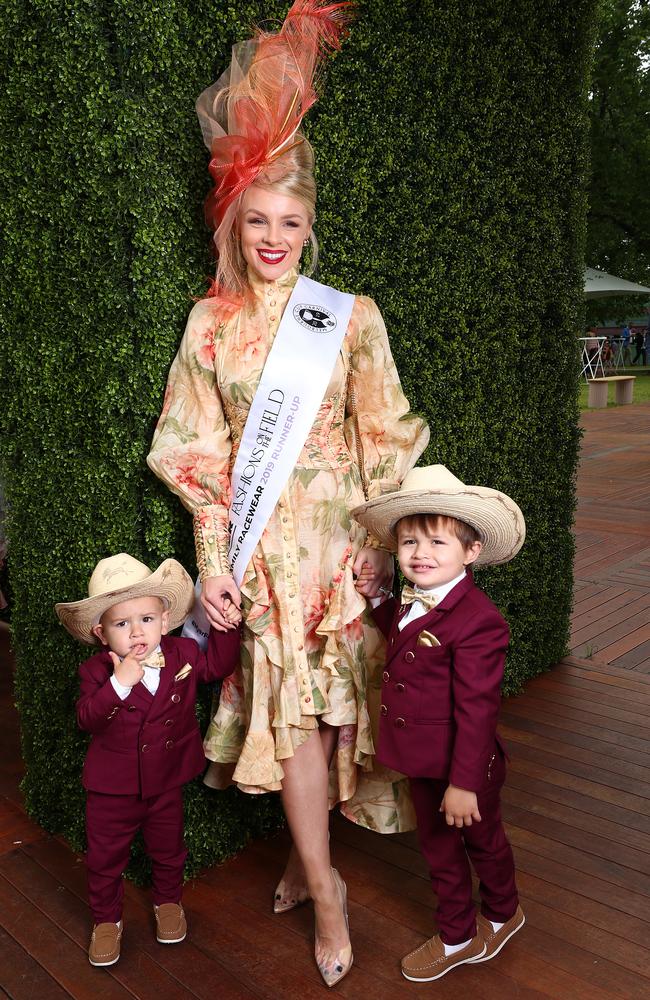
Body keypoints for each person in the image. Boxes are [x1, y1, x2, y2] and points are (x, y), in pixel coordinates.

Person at [146, 1, 429, 987]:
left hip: (338, 556)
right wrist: (215, 565)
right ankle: (324, 884)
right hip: (264, 557)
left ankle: (310, 861)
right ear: (234, 219)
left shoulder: (344, 319)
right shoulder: (209, 327)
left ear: (311, 226)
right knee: (291, 721)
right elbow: (202, 455)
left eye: (290, 221)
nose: (273, 236)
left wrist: (377, 548)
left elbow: (385, 437)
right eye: (256, 219)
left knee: (335, 721)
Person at [353, 464, 526, 982]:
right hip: (423, 761)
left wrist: (464, 784)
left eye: (436, 542)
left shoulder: (481, 621)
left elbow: (478, 710)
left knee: (484, 843)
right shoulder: (413, 597)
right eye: (408, 542)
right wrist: (380, 600)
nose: (420, 554)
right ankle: (458, 930)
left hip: (465, 769)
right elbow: (407, 635)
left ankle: (499, 913)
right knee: (438, 847)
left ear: (470, 552)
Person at [55, 554, 241, 967]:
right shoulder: (95, 672)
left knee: (169, 847)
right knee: (105, 857)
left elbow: (219, 665)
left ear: (164, 618)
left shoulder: (182, 653)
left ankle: (168, 901)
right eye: (122, 624)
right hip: (111, 790)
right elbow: (87, 719)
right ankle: (107, 921)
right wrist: (119, 685)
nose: (137, 632)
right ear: (102, 635)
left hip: (166, 782)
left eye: (146, 620)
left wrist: (227, 624)